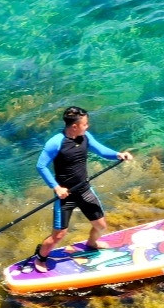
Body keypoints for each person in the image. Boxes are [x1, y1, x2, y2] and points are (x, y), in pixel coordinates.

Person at [30, 105, 133, 268]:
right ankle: (40, 257)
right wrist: (56, 187)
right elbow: (41, 166)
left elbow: (100, 150)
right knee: (59, 234)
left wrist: (117, 155)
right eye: (85, 124)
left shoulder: (85, 137)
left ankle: (92, 243)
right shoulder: (55, 142)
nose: (87, 126)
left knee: (100, 226)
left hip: (84, 190)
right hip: (66, 195)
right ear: (74, 126)